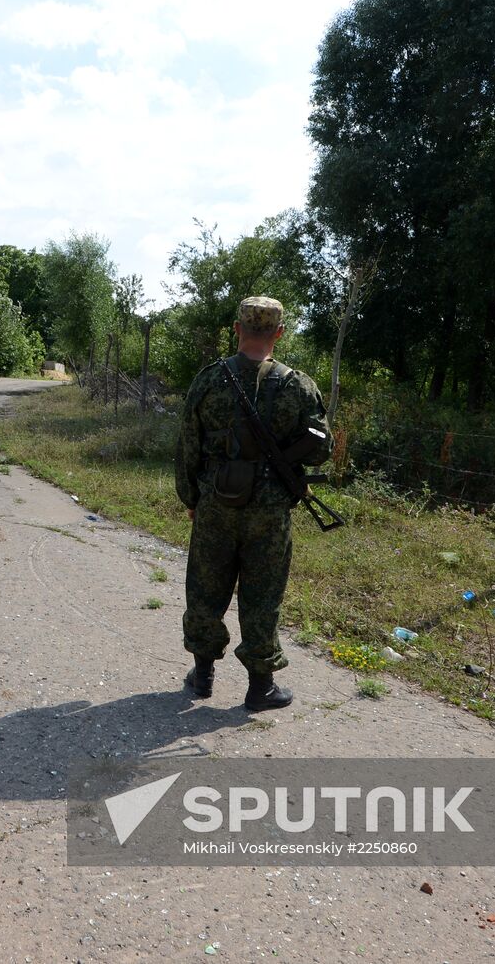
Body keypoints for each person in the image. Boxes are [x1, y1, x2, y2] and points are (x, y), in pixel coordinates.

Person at [174, 296, 333, 711]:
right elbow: (321, 450)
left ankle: (203, 675)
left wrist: (191, 498)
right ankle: (260, 688)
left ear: (236, 328)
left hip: (216, 503)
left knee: (206, 588)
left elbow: (188, 446)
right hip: (270, 511)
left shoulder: (209, 380)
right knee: (263, 595)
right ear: (279, 333)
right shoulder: (299, 385)